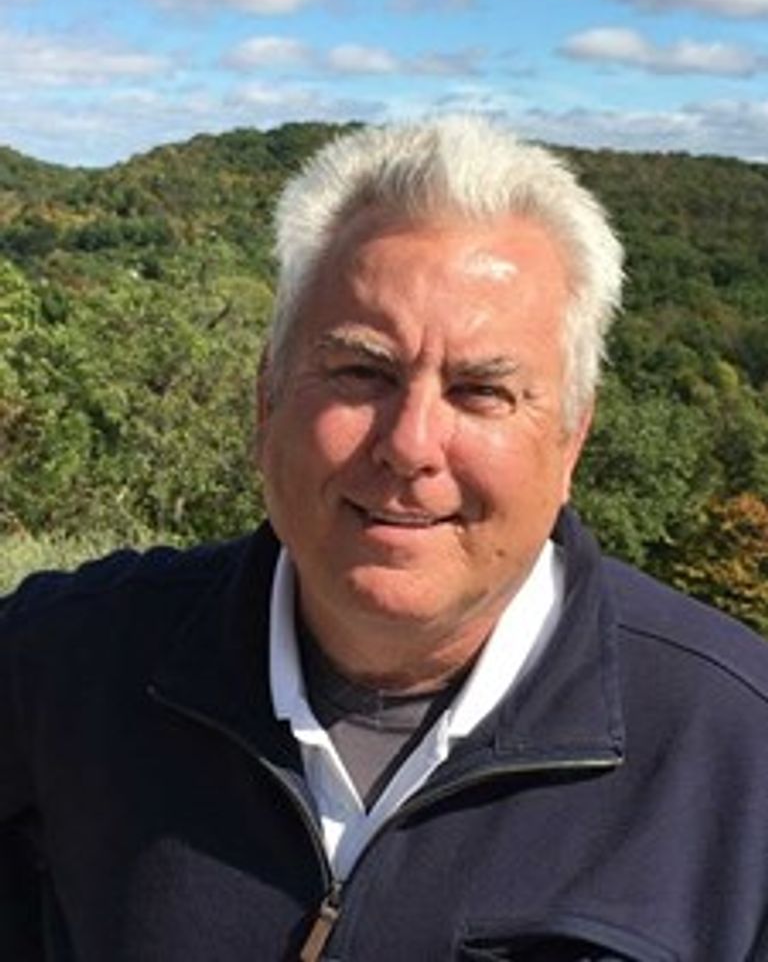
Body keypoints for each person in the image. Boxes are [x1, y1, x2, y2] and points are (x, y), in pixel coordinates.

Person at [2, 116, 768, 962]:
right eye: (362, 373)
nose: (409, 445)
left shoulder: (736, 756)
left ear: (571, 441)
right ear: (267, 401)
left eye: (481, 391)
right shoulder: (63, 667)